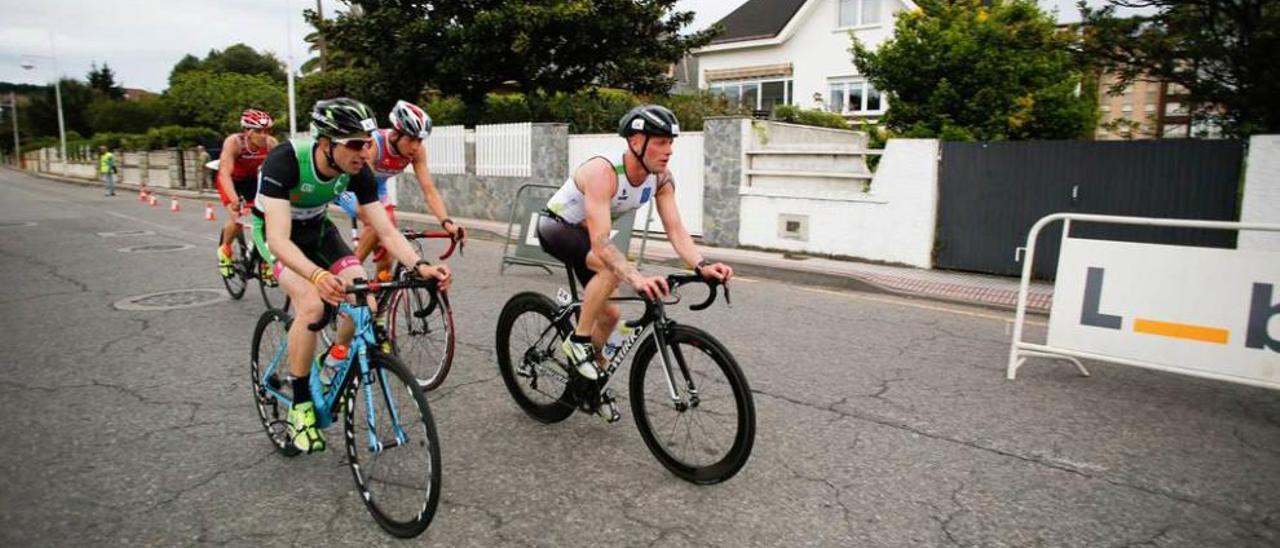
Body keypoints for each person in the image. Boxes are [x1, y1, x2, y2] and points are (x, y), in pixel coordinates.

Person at [252, 97, 452, 453]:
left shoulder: (357, 171)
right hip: (276, 235)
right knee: (312, 306)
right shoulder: (285, 161)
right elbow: (279, 240)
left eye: (367, 141)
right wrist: (315, 276)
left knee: (365, 299)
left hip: (317, 229)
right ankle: (300, 407)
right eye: (355, 144)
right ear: (326, 144)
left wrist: (419, 266)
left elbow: (387, 231)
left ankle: (334, 359)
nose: (364, 151)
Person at [537, 105, 733, 418]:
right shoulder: (604, 172)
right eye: (661, 142)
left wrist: (701, 264)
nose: (668, 151)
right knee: (612, 269)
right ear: (636, 141)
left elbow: (676, 228)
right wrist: (636, 276)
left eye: (671, 143)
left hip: (587, 235)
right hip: (557, 227)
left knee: (611, 316)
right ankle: (578, 341)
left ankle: (587, 386)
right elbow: (602, 243)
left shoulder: (661, 179)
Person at [334, 100, 464, 279]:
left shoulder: (417, 152)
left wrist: (447, 222)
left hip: (378, 191)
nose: (416, 146)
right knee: (376, 223)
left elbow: (429, 189)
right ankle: (345, 275)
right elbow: (364, 187)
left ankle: (378, 301)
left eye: (420, 140)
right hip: (351, 188)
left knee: (386, 259)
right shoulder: (374, 146)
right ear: (396, 134)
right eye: (411, 139)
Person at [216, 109, 278, 278]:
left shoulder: (271, 144)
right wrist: (234, 199)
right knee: (237, 219)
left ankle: (265, 260)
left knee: (271, 220)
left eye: (267, 131)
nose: (264, 136)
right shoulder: (234, 143)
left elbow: (281, 171)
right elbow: (224, 173)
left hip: (252, 181)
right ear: (247, 132)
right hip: (232, 181)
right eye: (258, 131)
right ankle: (225, 249)